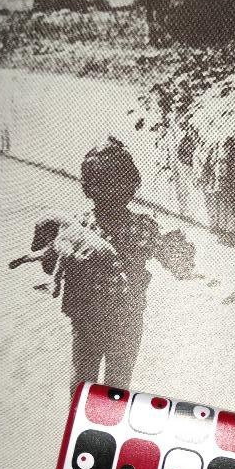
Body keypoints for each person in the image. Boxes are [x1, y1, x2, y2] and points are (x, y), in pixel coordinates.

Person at [31, 138, 195, 396]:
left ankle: (80, 420)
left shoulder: (79, 225)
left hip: (88, 319)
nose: (107, 191)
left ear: (87, 187)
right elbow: (180, 267)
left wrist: (52, 248)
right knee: (116, 387)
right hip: (124, 320)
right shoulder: (143, 228)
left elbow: (49, 266)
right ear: (132, 185)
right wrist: (183, 249)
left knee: (82, 383)